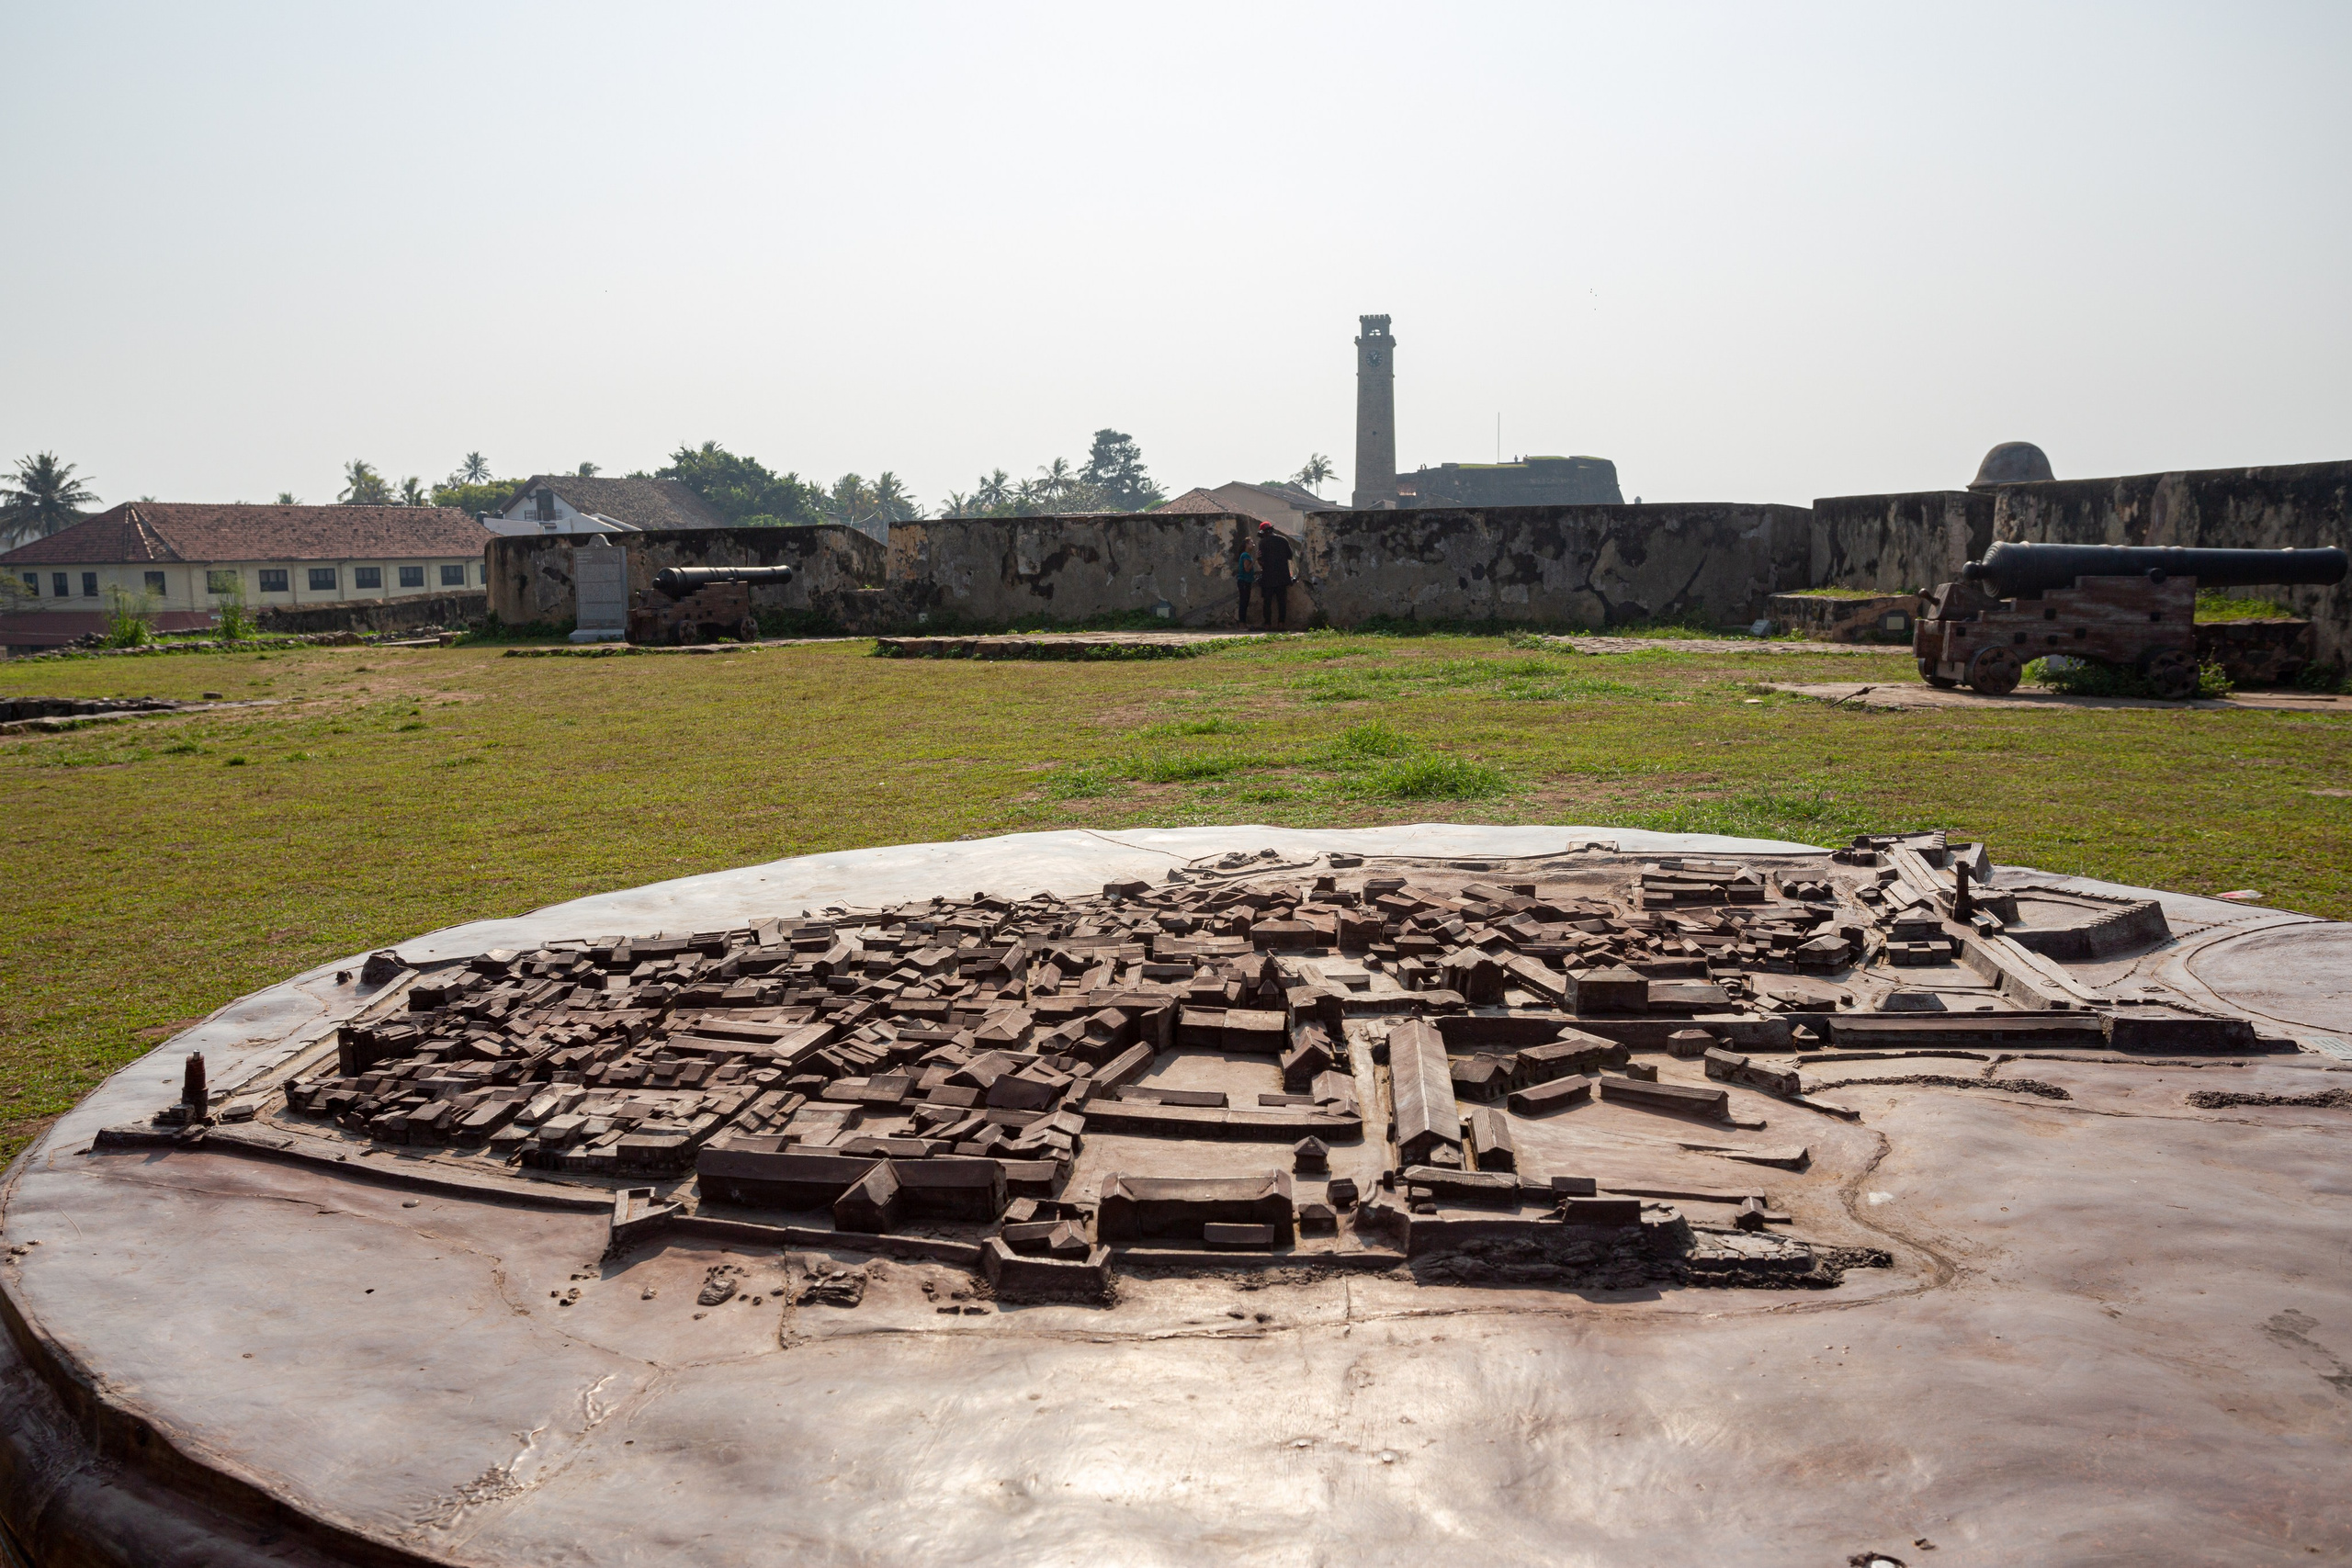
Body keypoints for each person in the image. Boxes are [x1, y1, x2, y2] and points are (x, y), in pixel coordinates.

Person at [1256, 520, 1295, 626]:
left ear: (1263, 532)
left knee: (1267, 602)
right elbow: (1290, 556)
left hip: (1268, 577)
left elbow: (1261, 561)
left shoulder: (1262, 543)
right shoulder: (1283, 540)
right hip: (1282, 576)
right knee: (1282, 602)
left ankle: (1267, 624)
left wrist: (1258, 559)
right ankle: (1281, 623)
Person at [1234, 536, 1258, 625]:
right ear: (1247, 545)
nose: (1253, 544)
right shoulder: (1245, 555)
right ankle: (1242, 624)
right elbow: (1247, 569)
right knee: (1244, 602)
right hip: (1244, 581)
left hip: (1245, 581)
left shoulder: (1245, 555)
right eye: (1251, 543)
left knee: (1245, 602)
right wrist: (1255, 559)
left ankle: (1242, 623)